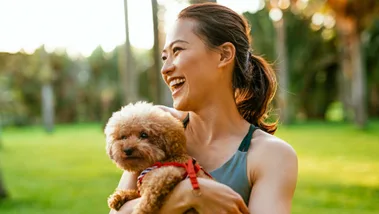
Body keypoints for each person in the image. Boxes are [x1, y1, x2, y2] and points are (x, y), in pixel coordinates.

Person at [110, 2, 298, 214]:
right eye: (165, 57)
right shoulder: (156, 128)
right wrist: (185, 194)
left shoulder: (270, 155)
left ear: (224, 55)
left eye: (177, 50)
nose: (165, 68)